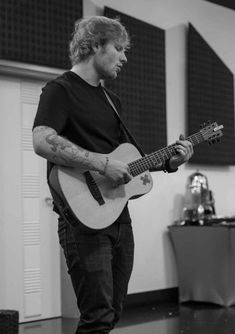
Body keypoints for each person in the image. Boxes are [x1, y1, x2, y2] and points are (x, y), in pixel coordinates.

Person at [32, 16, 193, 334]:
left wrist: (170, 162)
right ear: (94, 45)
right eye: (118, 48)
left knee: (113, 313)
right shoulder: (60, 90)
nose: (125, 57)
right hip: (83, 223)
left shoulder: (112, 100)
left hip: (119, 219)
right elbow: (41, 140)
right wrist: (102, 164)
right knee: (97, 318)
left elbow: (131, 164)